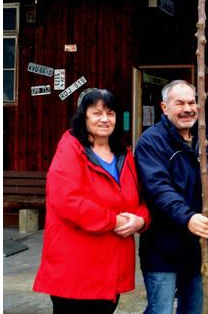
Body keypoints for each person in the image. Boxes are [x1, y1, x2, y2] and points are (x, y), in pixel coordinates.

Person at [33, 88, 150, 314]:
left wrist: (141, 221)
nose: (105, 119)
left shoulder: (124, 155)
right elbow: (67, 201)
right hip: (76, 269)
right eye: (97, 113)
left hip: (112, 269)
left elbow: (142, 200)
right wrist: (113, 221)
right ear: (83, 116)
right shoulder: (71, 149)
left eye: (110, 113)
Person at [133, 79, 208, 314]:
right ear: (164, 107)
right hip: (163, 249)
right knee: (161, 310)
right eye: (179, 103)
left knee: (194, 310)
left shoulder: (202, 138)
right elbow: (158, 189)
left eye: (191, 102)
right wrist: (188, 217)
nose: (187, 109)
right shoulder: (151, 141)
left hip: (198, 248)